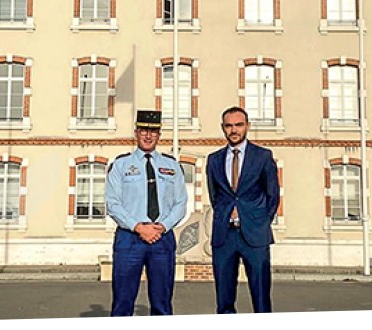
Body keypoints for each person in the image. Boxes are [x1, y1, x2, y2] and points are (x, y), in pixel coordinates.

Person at [105, 110, 188, 316]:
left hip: (162, 238)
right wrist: (138, 227)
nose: (148, 135)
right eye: (144, 130)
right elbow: (113, 203)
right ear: (136, 132)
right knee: (123, 303)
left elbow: (180, 203)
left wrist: (162, 226)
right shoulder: (120, 165)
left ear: (159, 134)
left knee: (162, 304)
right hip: (129, 238)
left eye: (153, 131)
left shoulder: (172, 166)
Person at [205, 106, 280, 313]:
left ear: (247, 126)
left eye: (238, 125)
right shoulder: (214, 159)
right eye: (229, 126)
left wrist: (260, 222)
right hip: (224, 236)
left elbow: (273, 195)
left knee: (261, 297)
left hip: (255, 236)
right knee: (224, 298)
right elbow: (215, 196)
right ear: (223, 128)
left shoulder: (263, 156)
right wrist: (226, 216)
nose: (234, 130)